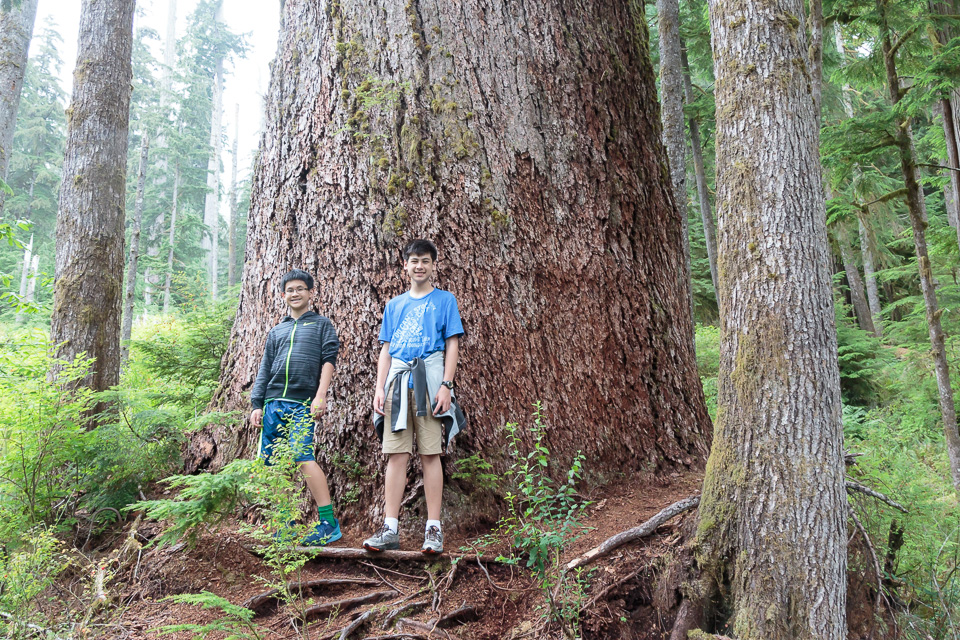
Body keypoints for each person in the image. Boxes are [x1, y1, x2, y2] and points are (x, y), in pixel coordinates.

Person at [363, 239, 465, 555]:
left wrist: (446, 385)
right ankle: (390, 527)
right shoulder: (394, 305)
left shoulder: (445, 300)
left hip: (429, 381)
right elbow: (386, 350)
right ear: (405, 265)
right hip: (397, 381)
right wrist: (379, 387)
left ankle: (433, 528)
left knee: (430, 453)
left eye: (425, 261)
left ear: (433, 265)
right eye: (414, 261)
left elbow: (452, 344)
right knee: (396, 454)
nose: (419, 266)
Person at [250, 269, 341, 546]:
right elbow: (265, 368)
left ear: (310, 293)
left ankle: (328, 523)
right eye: (290, 290)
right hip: (273, 404)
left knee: (302, 456)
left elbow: (329, 360)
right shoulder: (277, 330)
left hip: (303, 403)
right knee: (272, 464)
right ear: (283, 295)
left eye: (301, 288)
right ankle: (284, 523)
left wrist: (320, 396)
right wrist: (257, 403)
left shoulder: (321, 325)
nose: (295, 293)